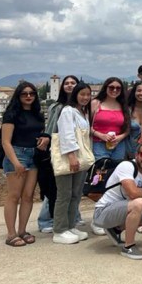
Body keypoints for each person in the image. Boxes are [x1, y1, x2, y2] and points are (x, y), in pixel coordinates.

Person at [93, 143, 142, 260]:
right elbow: (133, 193)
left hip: (120, 209)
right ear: (137, 155)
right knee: (139, 202)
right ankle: (128, 247)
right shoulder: (127, 165)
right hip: (102, 212)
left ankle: (116, 229)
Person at [1, 81, 48, 247]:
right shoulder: (12, 114)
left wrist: (45, 138)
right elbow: (6, 142)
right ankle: (11, 234)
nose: (28, 96)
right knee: (14, 196)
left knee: (28, 196)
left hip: (33, 156)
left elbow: (39, 133)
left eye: (32, 93)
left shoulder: (37, 114)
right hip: (17, 154)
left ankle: (22, 230)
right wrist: (15, 162)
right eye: (24, 93)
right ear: (18, 96)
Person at [37, 75, 85, 235]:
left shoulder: (80, 108)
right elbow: (51, 129)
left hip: (74, 152)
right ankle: (46, 221)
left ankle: (71, 220)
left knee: (72, 190)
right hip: (61, 152)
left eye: (73, 83)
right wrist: (48, 140)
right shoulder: (58, 107)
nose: (70, 86)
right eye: (67, 83)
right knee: (57, 190)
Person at [52, 82, 92, 244]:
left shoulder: (81, 113)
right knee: (64, 195)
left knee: (75, 194)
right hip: (71, 158)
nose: (85, 98)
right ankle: (59, 229)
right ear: (75, 94)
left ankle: (70, 225)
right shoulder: (68, 111)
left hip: (78, 159)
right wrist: (72, 156)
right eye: (82, 94)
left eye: (88, 95)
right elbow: (66, 135)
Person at [91, 77, 130, 161]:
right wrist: (101, 135)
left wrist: (120, 137)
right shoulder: (96, 103)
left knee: (116, 171)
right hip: (99, 144)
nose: (115, 90)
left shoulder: (123, 105)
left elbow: (127, 128)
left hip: (119, 145)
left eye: (118, 88)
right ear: (106, 88)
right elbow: (87, 126)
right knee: (101, 171)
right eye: (111, 87)